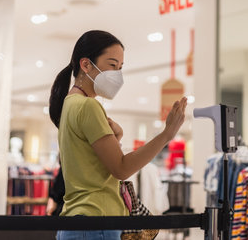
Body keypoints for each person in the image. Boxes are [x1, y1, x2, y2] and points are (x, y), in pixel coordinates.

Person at [49, 30, 187, 240]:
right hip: (97, 221)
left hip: (78, 220)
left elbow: (91, 165)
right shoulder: (88, 106)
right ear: (85, 65)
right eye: (112, 65)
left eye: (120, 68)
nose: (117, 74)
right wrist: (166, 135)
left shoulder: (70, 104)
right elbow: (121, 168)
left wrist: (116, 139)